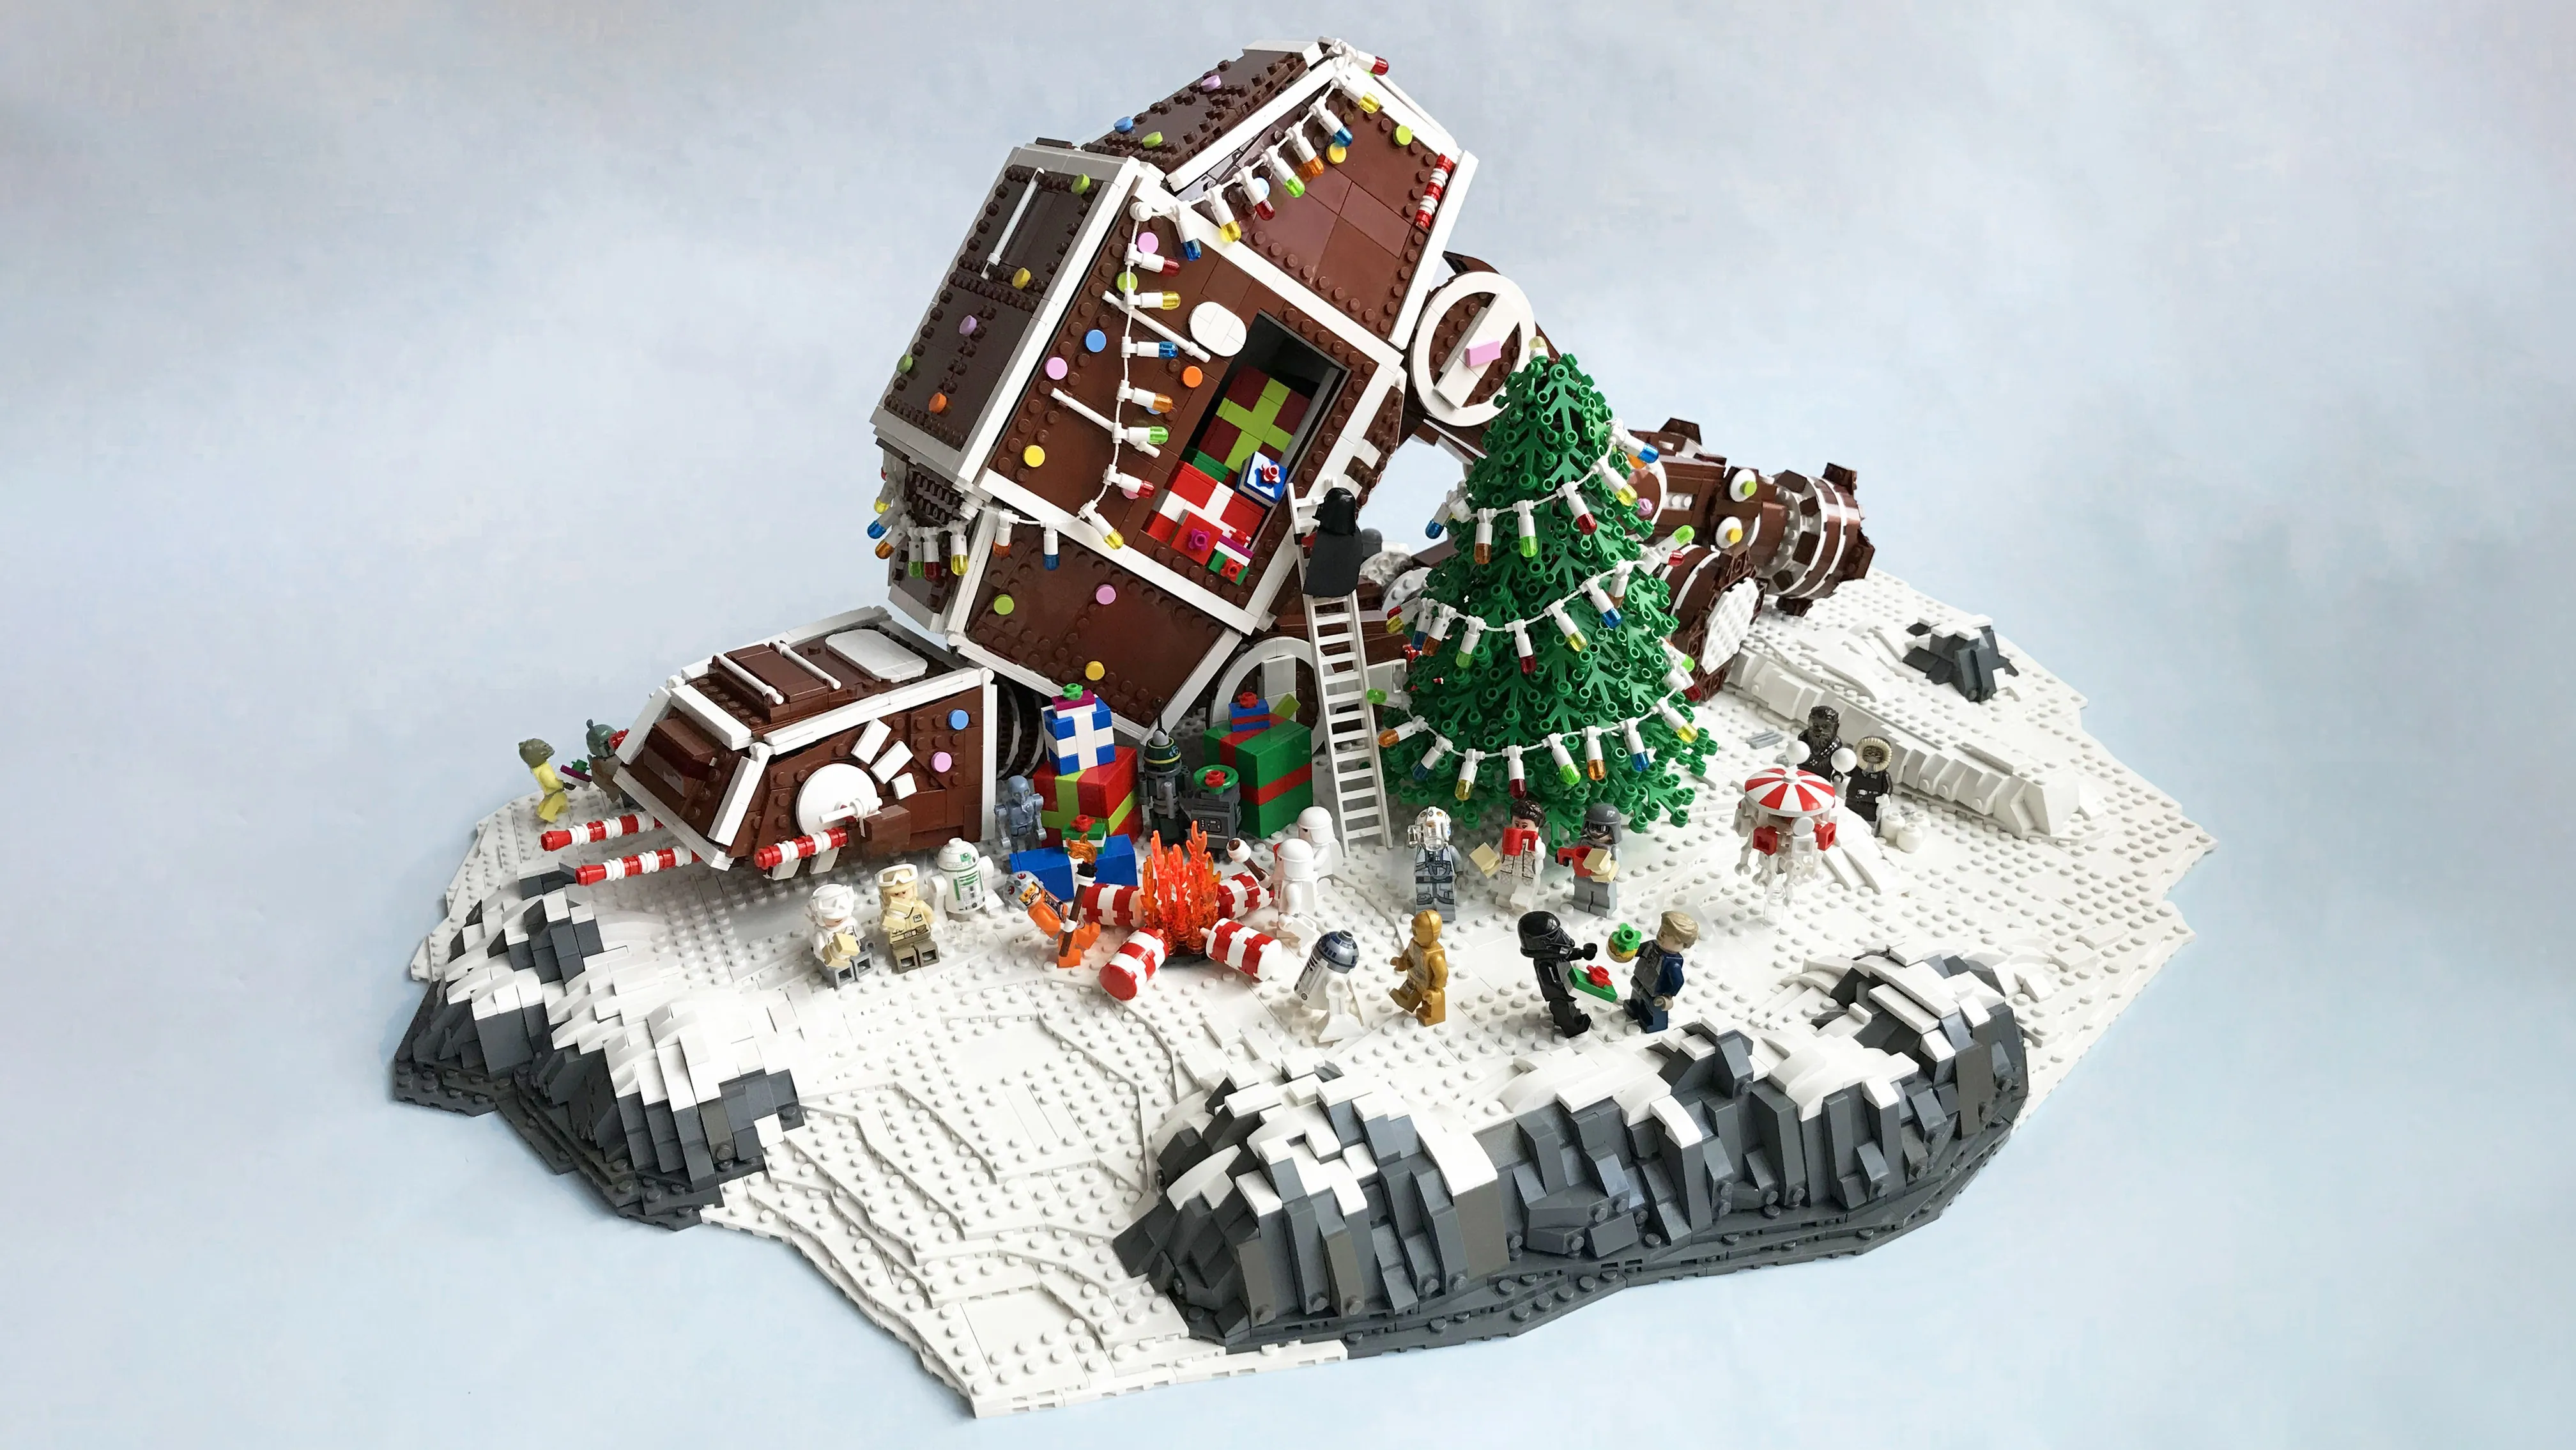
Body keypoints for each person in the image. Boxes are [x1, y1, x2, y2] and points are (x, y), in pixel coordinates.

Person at [1518, 910, 1598, 1037]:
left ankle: (1571, 1018)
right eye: (1554, 935)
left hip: (1566, 987)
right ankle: (1573, 1028)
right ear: (1541, 942)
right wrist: (1566, 991)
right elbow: (1550, 983)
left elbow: (1568, 954)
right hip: (1559, 996)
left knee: (1569, 1008)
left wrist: (1582, 953)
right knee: (1564, 1011)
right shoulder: (1543, 963)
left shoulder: (1554, 953)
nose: (1562, 937)